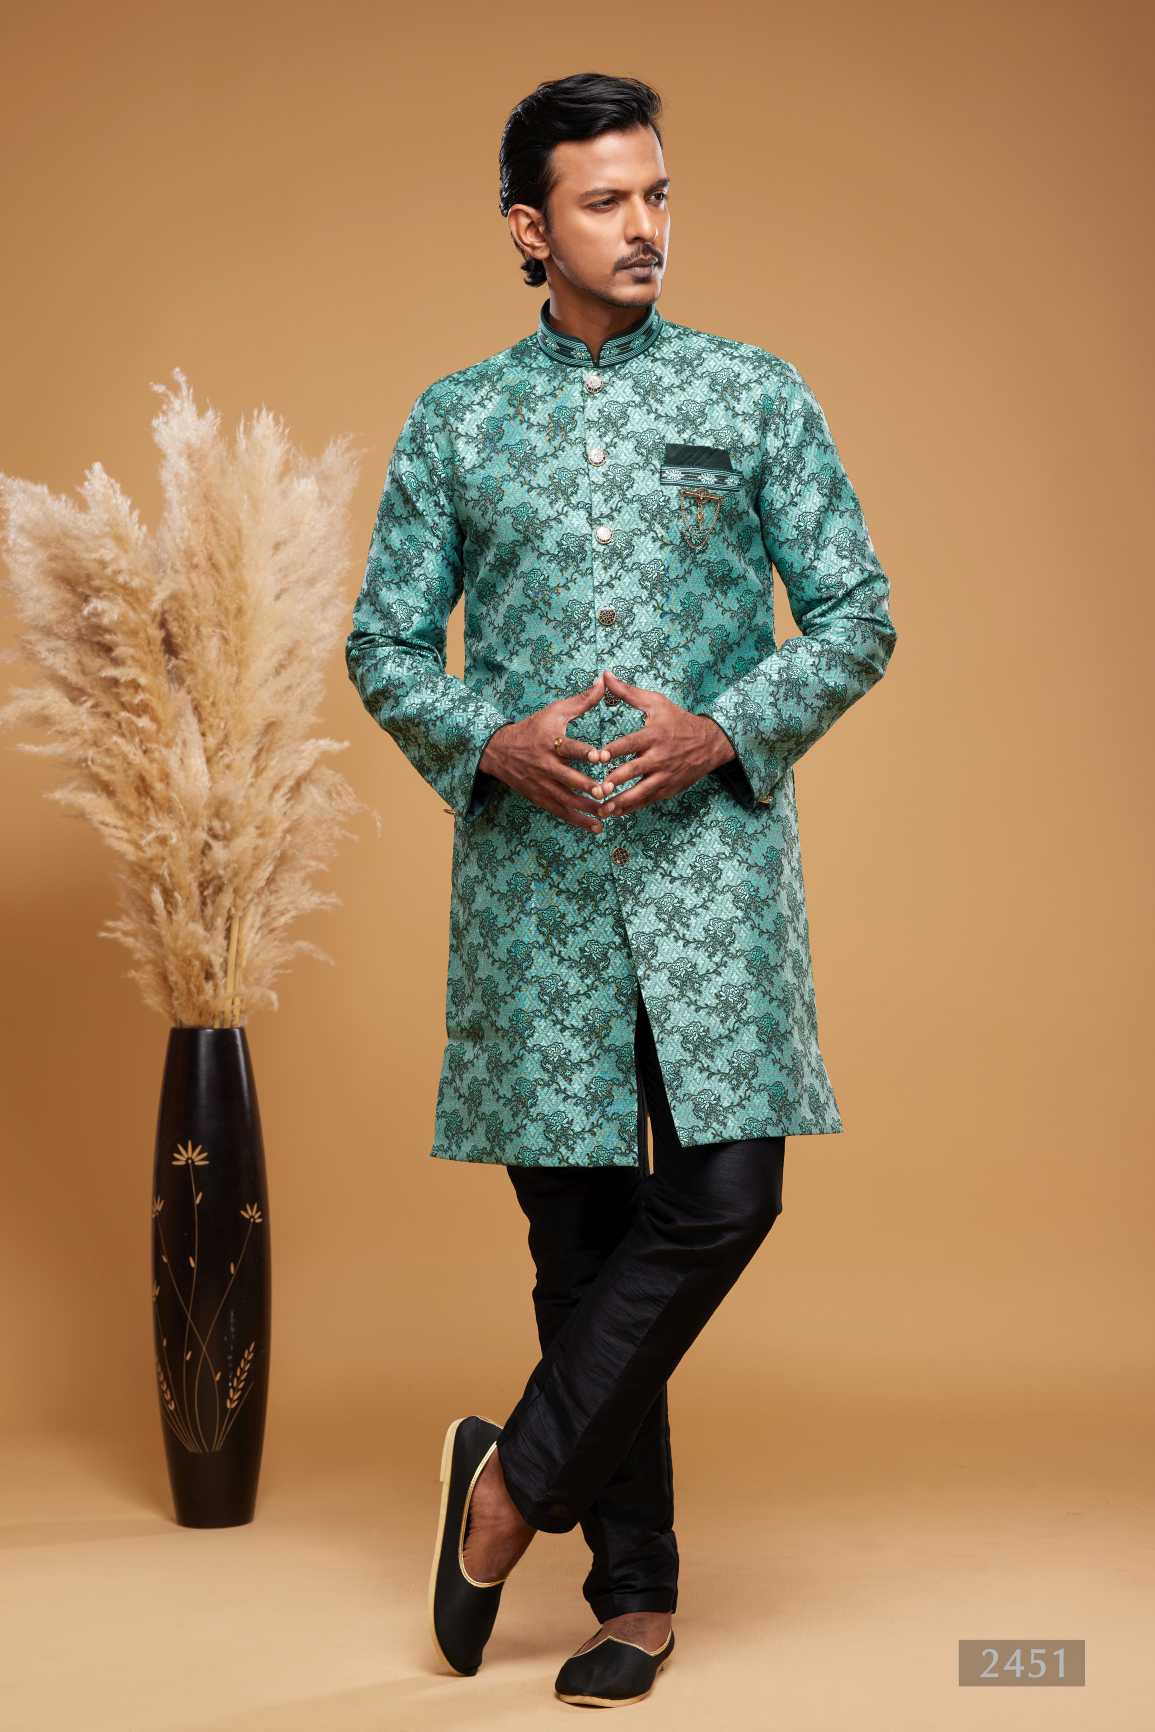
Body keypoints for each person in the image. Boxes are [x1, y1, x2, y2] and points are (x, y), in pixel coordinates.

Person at [345, 70, 897, 1708]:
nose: (644, 225)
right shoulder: (459, 419)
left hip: (711, 871)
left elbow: (858, 611)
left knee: (725, 1197)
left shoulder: (753, 393)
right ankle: (635, 1600)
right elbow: (382, 642)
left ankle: (508, 1486)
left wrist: (725, 727)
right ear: (533, 229)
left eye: (656, 194)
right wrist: (483, 738)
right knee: (577, 1243)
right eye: (606, 201)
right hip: (536, 888)